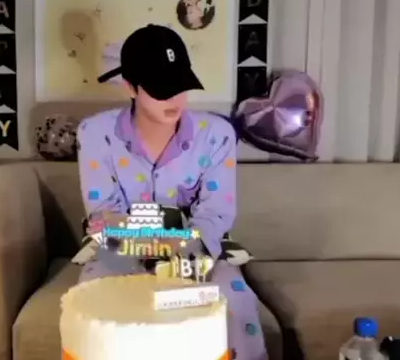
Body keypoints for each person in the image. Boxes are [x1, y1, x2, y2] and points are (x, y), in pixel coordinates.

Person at [76, 24, 268, 360]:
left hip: (199, 249)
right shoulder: (95, 133)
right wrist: (151, 246)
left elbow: (215, 212)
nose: (174, 99)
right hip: (122, 251)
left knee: (236, 302)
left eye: (180, 85)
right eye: (160, 89)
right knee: (95, 301)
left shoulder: (217, 134)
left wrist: (186, 254)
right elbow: (105, 215)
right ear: (131, 87)